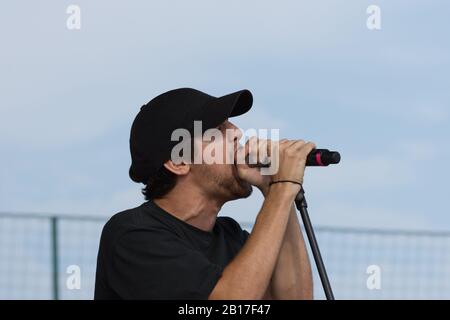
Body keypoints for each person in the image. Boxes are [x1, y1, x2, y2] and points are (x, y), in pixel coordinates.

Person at [94, 88, 315, 299]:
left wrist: (274, 188)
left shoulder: (231, 237)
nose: (237, 132)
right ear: (178, 161)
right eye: (218, 129)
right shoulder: (132, 235)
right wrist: (282, 189)